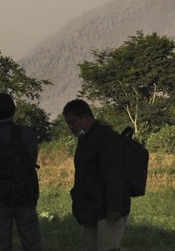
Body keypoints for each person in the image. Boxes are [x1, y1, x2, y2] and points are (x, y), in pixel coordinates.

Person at [0, 92, 42, 251]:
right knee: (31, 241)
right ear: (14, 110)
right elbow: (32, 159)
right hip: (26, 193)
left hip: (0, 197)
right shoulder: (28, 134)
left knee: (1, 242)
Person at [63, 99, 130, 251]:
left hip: (108, 210)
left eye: (73, 122)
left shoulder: (106, 138)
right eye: (68, 123)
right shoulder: (85, 139)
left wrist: (114, 206)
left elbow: (115, 173)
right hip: (91, 209)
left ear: (86, 117)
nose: (71, 127)